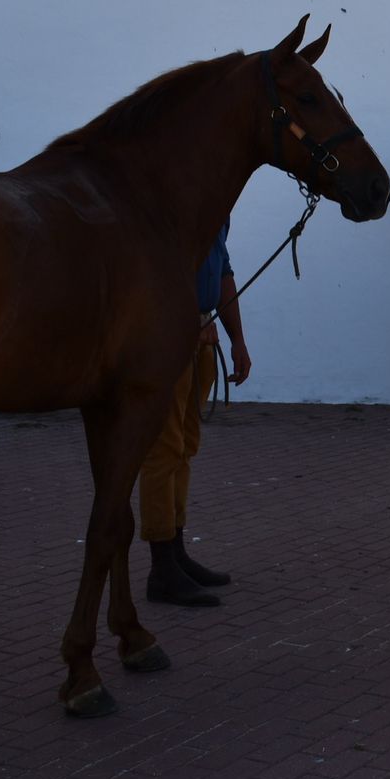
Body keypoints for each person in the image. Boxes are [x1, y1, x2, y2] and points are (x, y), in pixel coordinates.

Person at [138, 221, 249, 607]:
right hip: (168, 341)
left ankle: (177, 551)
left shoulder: (216, 212)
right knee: (163, 449)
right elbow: (152, 273)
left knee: (185, 446)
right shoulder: (166, 204)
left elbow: (224, 271)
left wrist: (238, 339)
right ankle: (161, 566)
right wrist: (190, 320)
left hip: (202, 338)